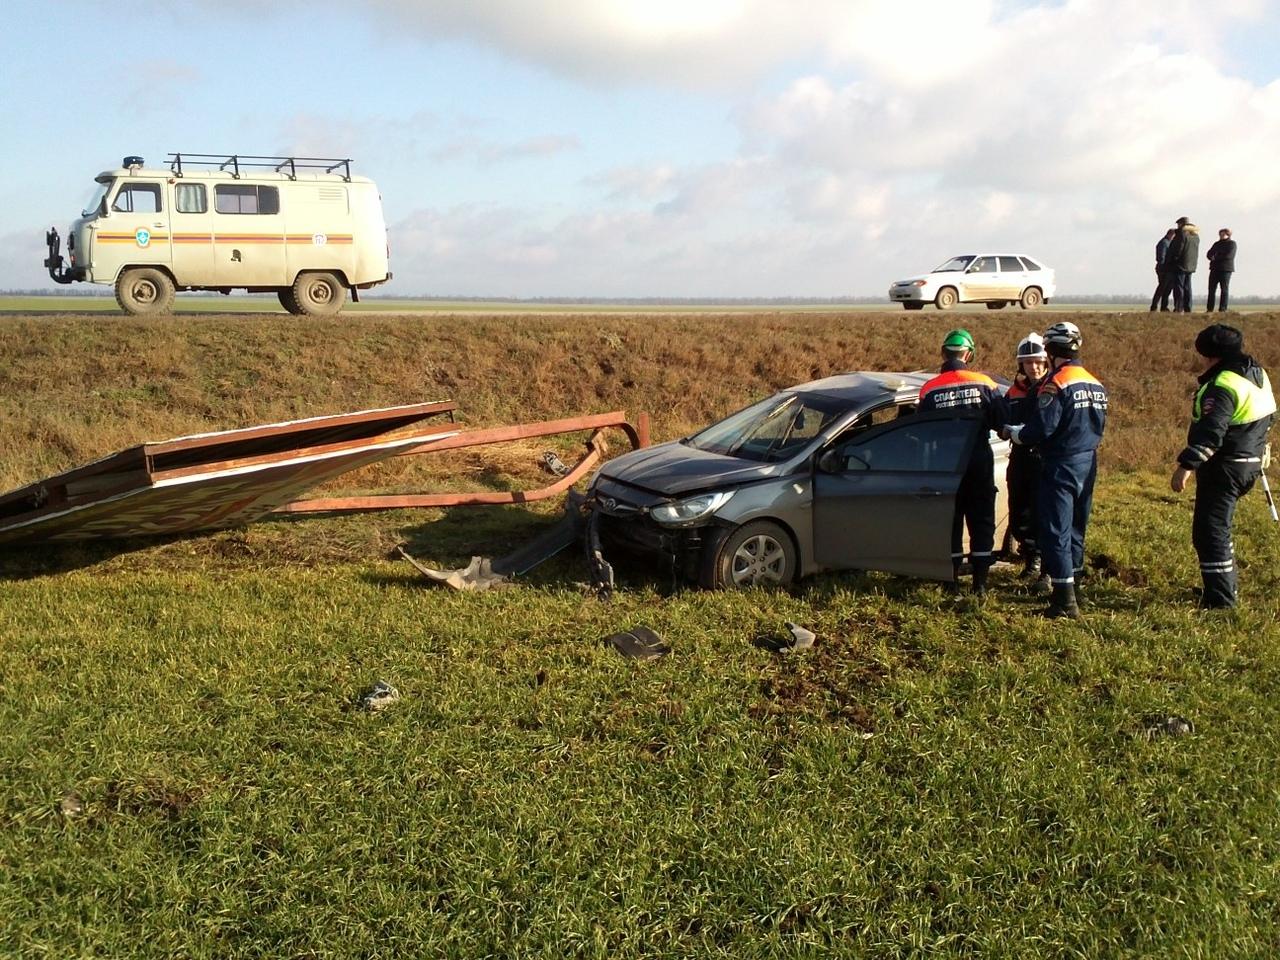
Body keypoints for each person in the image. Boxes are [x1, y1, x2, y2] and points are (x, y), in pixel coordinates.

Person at [1001, 322, 1108, 618]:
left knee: (1055, 529)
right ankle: (1076, 587)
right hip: (1088, 460)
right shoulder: (1094, 382)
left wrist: (1015, 433)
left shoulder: (1056, 384)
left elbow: (1041, 429)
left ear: (1050, 350)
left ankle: (1063, 601)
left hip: (1060, 462)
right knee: (1076, 526)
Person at [1170, 324, 1275, 608]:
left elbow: (1212, 433)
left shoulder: (1222, 385)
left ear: (1211, 355)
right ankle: (1219, 588)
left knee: (1210, 532)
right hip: (1249, 462)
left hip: (1225, 468)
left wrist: (1186, 466)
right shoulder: (1256, 374)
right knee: (1218, 528)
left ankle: (1221, 601)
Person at [918, 328, 1002, 595]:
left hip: (945, 467)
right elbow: (1001, 421)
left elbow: (922, 431)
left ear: (944, 353)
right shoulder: (985, 383)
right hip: (978, 462)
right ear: (968, 354)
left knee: (949, 522)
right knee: (981, 522)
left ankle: (950, 581)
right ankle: (980, 583)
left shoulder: (929, 389)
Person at [1002, 333, 1050, 587]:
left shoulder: (1052, 388)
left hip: (1043, 458)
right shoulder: (1013, 391)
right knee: (1019, 509)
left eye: (1038, 361)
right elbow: (1002, 416)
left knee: (1042, 510)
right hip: (1019, 457)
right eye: (1028, 362)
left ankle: (1042, 564)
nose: (1033, 367)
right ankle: (1030, 554)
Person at [1168, 216, 1200, 312]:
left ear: (1181, 224)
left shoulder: (1182, 235)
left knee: (1179, 288)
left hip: (1180, 265)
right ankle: (1188, 307)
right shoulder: (1195, 236)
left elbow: (1178, 249)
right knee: (1188, 287)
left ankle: (1179, 308)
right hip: (1190, 265)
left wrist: (1173, 259)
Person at [1205, 228, 1236, 312]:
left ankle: (1222, 309)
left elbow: (1229, 256)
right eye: (1220, 234)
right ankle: (1209, 309)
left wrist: (1216, 257)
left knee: (1224, 289)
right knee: (1211, 289)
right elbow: (1209, 253)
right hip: (1214, 269)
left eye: (1223, 234)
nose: (1221, 236)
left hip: (1225, 269)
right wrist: (1212, 257)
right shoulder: (1216, 244)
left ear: (1228, 234)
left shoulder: (1232, 244)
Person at [1150, 228, 1177, 312]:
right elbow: (1161, 257)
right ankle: (1154, 306)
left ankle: (1164, 306)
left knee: (1167, 289)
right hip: (1164, 269)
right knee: (1162, 288)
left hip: (1166, 269)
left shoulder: (1167, 242)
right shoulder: (1164, 243)